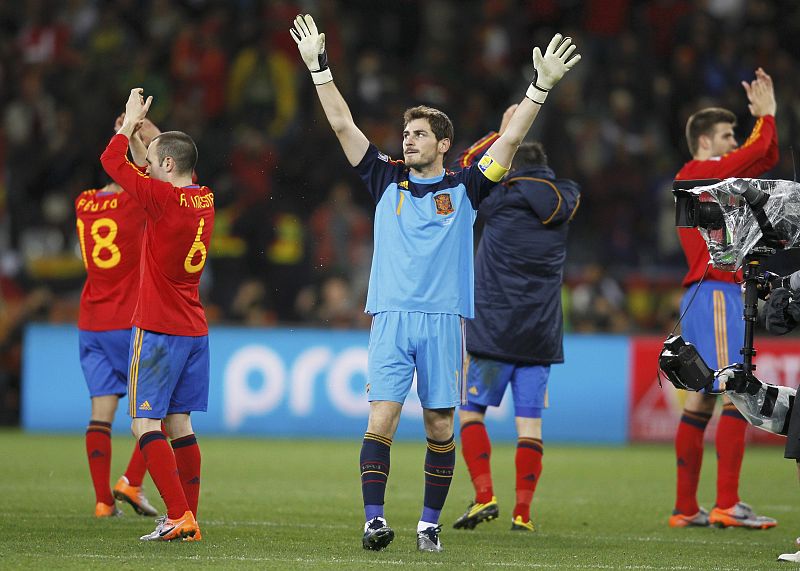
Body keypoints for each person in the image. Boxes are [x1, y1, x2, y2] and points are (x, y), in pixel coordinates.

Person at [290, 14, 580, 552]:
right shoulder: (384, 177)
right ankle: (374, 519)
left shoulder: (468, 187)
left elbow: (511, 140)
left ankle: (428, 525)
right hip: (392, 316)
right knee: (382, 417)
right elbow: (341, 124)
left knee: (441, 426)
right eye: (406, 132)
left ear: (444, 143)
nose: (409, 139)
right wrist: (318, 68)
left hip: (445, 320)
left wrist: (539, 88)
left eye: (420, 133)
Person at [449, 105, 580, 533]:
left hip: (491, 328)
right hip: (541, 333)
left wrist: (504, 133)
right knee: (530, 423)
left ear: (509, 165)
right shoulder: (566, 199)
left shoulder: (499, 199)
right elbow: (563, 190)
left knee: (470, 413)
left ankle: (484, 496)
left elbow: (466, 168)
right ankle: (523, 513)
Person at [100, 88, 214, 542]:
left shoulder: (159, 201)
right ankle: (188, 516)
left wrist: (128, 124)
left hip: (160, 329)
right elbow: (169, 156)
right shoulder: (204, 197)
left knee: (144, 423)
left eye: (151, 161)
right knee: (180, 424)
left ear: (166, 166)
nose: (144, 164)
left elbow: (111, 162)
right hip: (195, 329)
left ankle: (178, 514)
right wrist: (149, 128)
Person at [670, 68, 778, 529]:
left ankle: (685, 508)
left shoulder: (712, 180)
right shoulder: (696, 173)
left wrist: (765, 127)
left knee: (702, 402)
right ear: (705, 143)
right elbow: (755, 154)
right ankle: (727, 504)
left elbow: (762, 159)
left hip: (710, 293)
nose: (733, 142)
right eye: (726, 135)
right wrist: (767, 117)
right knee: (736, 390)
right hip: (715, 292)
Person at [76, 118, 160, 519]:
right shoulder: (134, 203)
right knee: (157, 409)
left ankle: (102, 502)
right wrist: (145, 131)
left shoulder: (84, 203)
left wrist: (124, 134)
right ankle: (130, 479)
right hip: (130, 322)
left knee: (100, 412)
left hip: (91, 320)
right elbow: (164, 175)